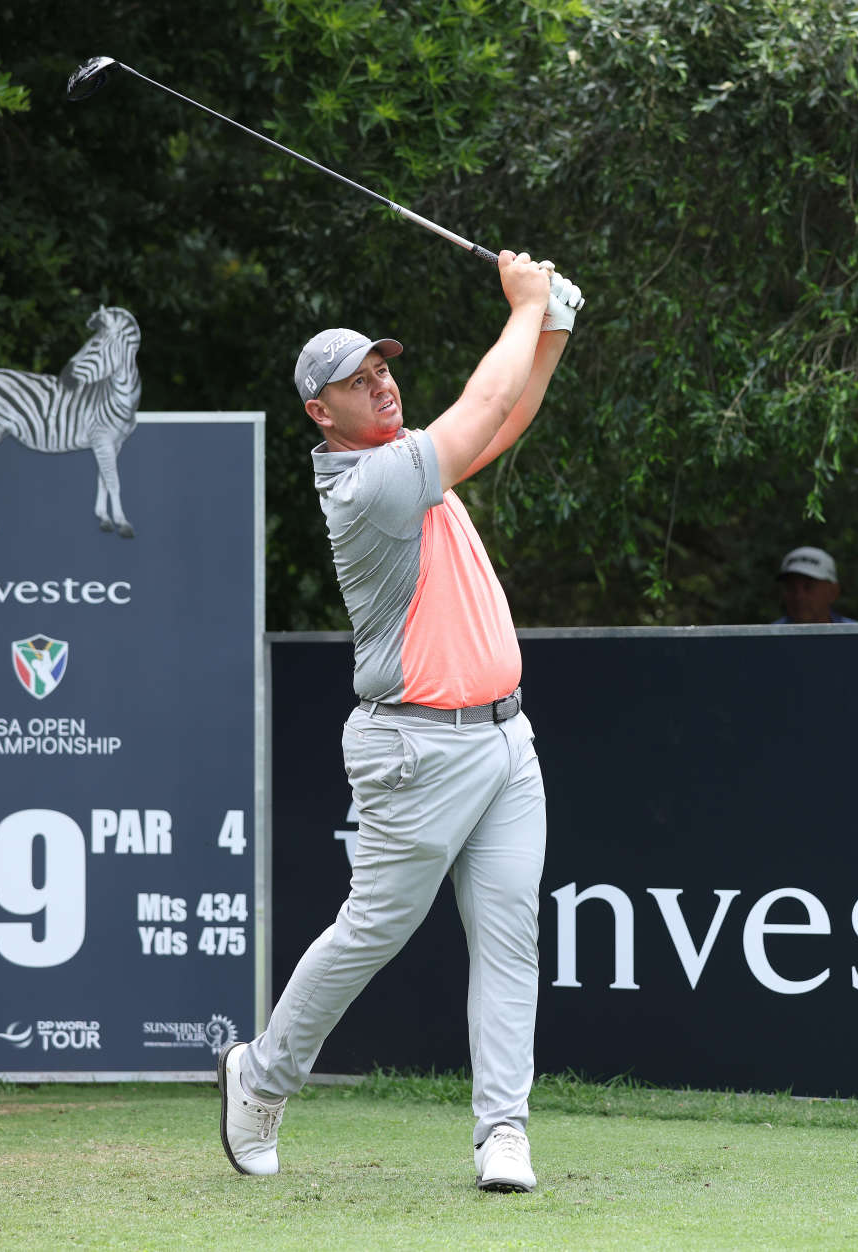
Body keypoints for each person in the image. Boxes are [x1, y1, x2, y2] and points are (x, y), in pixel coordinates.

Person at [217, 251, 583, 1194]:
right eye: (356, 381)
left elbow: (505, 414)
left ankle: (503, 1131)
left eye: (382, 368)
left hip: (506, 742)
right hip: (415, 745)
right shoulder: (369, 486)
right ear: (319, 414)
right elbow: (476, 407)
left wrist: (553, 331)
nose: (380, 383)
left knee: (510, 936)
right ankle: (261, 1076)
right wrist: (526, 307)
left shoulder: (410, 461)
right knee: (374, 927)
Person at [773, 546, 857, 623]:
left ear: (833, 592)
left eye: (808, 587)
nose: (799, 596)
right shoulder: (767, 637)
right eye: (791, 587)